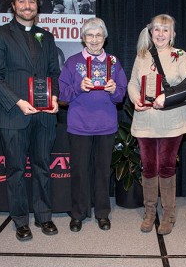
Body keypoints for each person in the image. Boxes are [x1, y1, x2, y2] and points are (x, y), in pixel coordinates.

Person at [0, 0, 60, 241]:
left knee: (42, 167)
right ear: (13, 5)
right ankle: (20, 220)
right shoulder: (0, 34)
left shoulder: (46, 37)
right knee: (15, 169)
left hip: (44, 115)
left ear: (38, 6)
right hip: (13, 114)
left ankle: (43, 216)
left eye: (32, 2)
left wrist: (55, 97)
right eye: (22, 2)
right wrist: (17, 101)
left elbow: (53, 73)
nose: (28, 6)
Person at [58, 17, 127, 232]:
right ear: (83, 38)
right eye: (90, 35)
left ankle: (102, 213)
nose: (94, 40)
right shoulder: (72, 62)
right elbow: (61, 96)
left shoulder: (113, 63)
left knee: (102, 172)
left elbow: (121, 96)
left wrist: (114, 89)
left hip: (106, 125)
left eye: (99, 35)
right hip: (79, 125)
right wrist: (79, 86)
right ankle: (78, 213)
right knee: (79, 171)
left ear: (105, 39)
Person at [127, 14, 186, 235]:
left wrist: (167, 98)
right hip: (145, 121)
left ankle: (168, 214)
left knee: (166, 166)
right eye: (157, 29)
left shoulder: (180, 55)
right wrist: (135, 98)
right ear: (150, 32)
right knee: (148, 166)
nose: (161, 34)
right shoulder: (142, 55)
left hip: (171, 121)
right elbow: (133, 83)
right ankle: (149, 212)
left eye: (166, 30)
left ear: (172, 34)